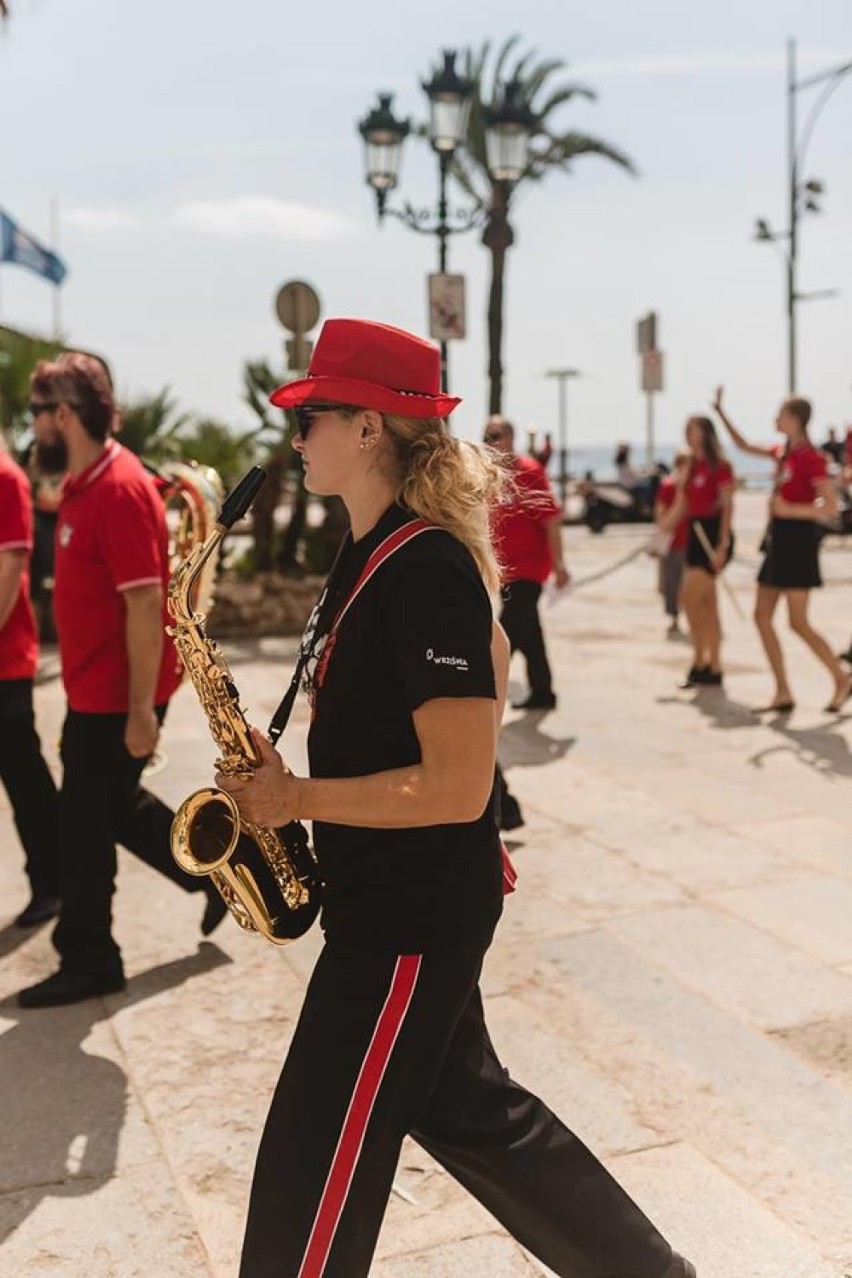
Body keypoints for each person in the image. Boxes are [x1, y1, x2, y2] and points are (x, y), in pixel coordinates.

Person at [214, 317, 694, 1278]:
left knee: (315, 1153)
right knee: (471, 1112)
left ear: (370, 431)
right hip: (391, 901)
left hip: (406, 918)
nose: (297, 434)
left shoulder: (423, 564)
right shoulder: (371, 551)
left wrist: (298, 794)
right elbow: (454, 686)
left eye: (314, 414)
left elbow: (461, 785)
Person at [17, 353, 225, 1010]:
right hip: (94, 690)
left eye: (38, 414)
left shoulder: (121, 488)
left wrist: (142, 709)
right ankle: (213, 877)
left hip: (115, 696)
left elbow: (145, 605)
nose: (33, 428)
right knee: (115, 808)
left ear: (65, 414)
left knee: (82, 827)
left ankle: (90, 959)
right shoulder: (84, 483)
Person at [712, 386, 852, 713]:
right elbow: (744, 445)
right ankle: (783, 691)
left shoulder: (811, 458)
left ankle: (840, 677)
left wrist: (790, 509)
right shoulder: (783, 453)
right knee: (762, 617)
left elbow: (831, 508)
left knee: (798, 622)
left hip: (799, 542)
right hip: (777, 543)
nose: (775, 418)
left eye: (780, 414)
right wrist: (721, 412)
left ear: (794, 419)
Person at [0, 440, 60, 927]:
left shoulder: (6, 477)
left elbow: (10, 569)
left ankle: (53, 883)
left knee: (27, 784)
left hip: (6, 664)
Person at [484, 415, 569, 711]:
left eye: (495, 436)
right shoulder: (489, 475)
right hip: (506, 571)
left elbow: (551, 521)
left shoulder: (529, 472)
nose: (490, 443)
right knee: (530, 633)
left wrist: (559, 564)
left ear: (510, 438)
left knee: (504, 636)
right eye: (486, 437)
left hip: (530, 569)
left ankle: (485, 687)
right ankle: (543, 692)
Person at [674, 415, 735, 688]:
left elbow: (727, 506)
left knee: (688, 598)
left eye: (693, 430)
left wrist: (722, 544)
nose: (688, 434)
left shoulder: (720, 466)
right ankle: (713, 664)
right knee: (707, 604)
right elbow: (683, 506)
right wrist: (662, 533)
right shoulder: (691, 465)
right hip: (695, 535)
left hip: (712, 536)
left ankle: (700, 661)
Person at [653, 450, 690, 636]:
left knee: (688, 583)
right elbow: (660, 515)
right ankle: (675, 619)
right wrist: (658, 542)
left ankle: (690, 617)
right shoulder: (668, 486)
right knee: (670, 584)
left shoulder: (692, 487)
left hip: (689, 542)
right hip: (672, 543)